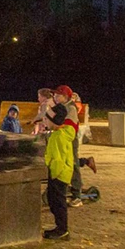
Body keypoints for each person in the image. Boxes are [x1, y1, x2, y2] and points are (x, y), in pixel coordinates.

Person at [42, 85, 78, 239]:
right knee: (53, 199)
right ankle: (60, 227)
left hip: (59, 172)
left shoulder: (59, 136)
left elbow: (58, 157)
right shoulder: (58, 133)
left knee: (58, 201)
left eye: (46, 120)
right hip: (60, 171)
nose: (45, 122)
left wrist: (52, 171)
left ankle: (62, 230)